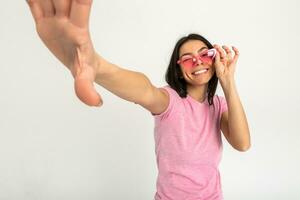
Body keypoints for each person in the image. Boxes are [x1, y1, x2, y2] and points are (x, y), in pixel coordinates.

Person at [26, 0, 251, 199]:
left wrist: (228, 81)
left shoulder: (219, 106)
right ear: (178, 69)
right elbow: (144, 90)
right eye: (188, 59)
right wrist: (95, 65)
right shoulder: (169, 101)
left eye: (205, 54)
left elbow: (242, 144)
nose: (198, 62)